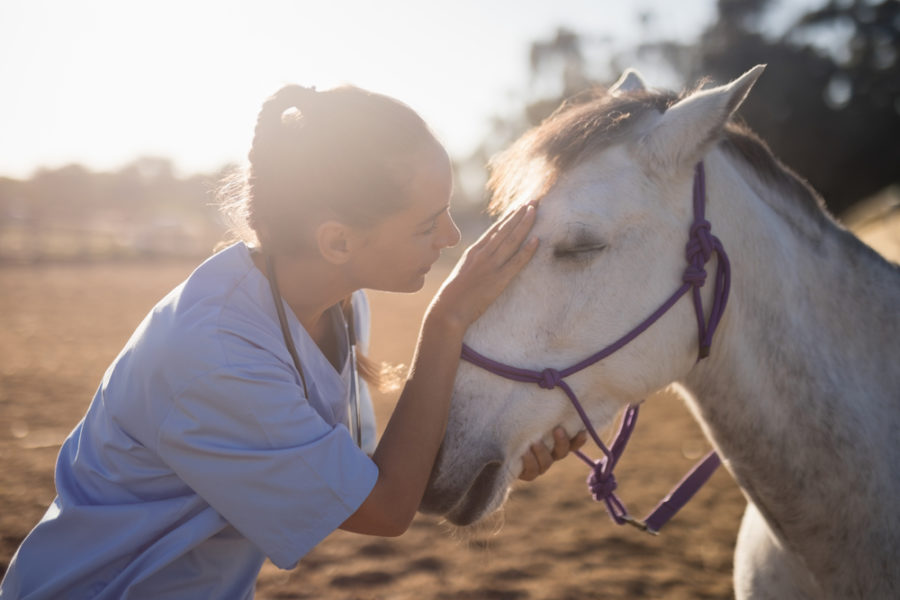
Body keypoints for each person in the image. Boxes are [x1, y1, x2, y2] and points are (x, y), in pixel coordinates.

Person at [0, 84, 585, 599]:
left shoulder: (337, 302)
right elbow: (383, 511)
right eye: (426, 223)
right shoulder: (217, 358)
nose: (452, 237)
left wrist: (492, 456)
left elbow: (373, 479)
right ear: (337, 241)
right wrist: (446, 323)